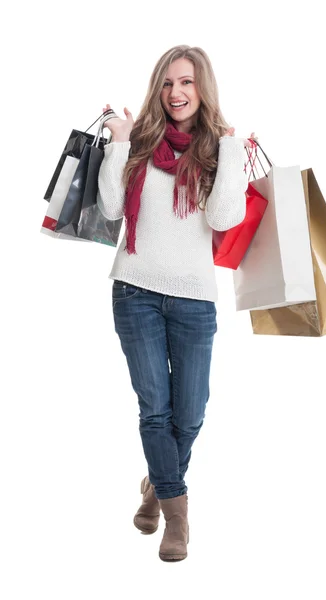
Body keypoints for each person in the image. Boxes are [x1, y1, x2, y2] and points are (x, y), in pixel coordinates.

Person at [97, 44, 254, 562]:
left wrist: (232, 152)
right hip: (135, 290)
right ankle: (177, 515)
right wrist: (119, 143)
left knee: (189, 413)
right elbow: (112, 208)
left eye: (185, 82)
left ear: (201, 88)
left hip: (192, 299)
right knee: (155, 411)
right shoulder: (140, 140)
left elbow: (227, 218)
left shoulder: (215, 149)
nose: (175, 93)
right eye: (167, 83)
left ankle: (156, 486)